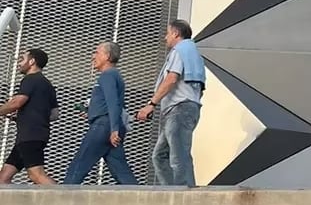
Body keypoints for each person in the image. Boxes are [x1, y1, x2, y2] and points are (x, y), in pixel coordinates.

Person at [137, 19, 205, 187]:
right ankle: (171, 191)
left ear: (175, 34)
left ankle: (184, 195)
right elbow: (200, 89)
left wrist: (151, 104)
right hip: (184, 109)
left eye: (167, 33)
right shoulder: (194, 55)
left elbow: (171, 78)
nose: (165, 38)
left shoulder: (180, 51)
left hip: (179, 110)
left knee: (178, 156)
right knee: (160, 156)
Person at [64, 42, 137, 186]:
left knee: (79, 165)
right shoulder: (114, 75)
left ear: (107, 56)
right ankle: (141, 201)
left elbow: (113, 102)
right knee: (121, 170)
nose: (93, 57)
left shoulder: (108, 75)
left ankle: (61, 199)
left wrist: (113, 129)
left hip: (104, 126)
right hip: (109, 125)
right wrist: (91, 113)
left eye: (97, 52)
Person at [0, 48, 58, 186]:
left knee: (36, 175)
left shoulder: (30, 79)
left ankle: (66, 204)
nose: (19, 63)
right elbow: (55, 114)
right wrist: (24, 116)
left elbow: (17, 102)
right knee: (3, 178)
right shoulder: (47, 84)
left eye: (22, 59)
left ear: (32, 62)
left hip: (29, 136)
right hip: (33, 136)